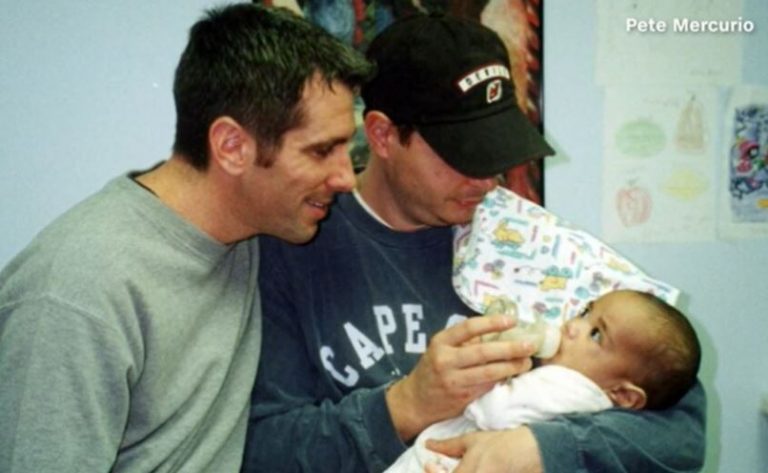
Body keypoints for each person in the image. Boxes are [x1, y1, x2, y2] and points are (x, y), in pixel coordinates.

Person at [243, 12, 705, 473]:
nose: (487, 182)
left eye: (496, 152)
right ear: (383, 135)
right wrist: (405, 405)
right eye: (462, 155)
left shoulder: (523, 239)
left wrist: (538, 450)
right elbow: (258, 451)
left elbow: (681, 432)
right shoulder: (292, 244)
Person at [0, 4, 371, 472]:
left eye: (347, 147)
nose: (346, 178)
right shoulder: (78, 295)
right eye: (321, 151)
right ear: (232, 147)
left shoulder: (253, 229)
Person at [386, 289, 702, 473]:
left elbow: (495, 412)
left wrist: (483, 377)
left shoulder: (569, 387)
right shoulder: (582, 393)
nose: (572, 326)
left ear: (625, 395)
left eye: (595, 334)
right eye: (585, 312)